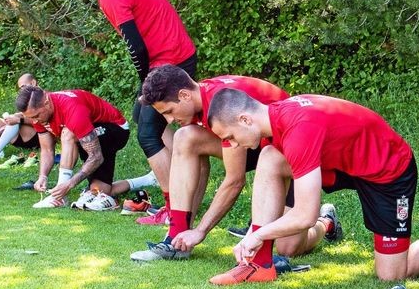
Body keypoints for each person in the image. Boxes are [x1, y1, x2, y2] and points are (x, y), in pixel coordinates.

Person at [205, 90, 419, 286]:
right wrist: (260, 237)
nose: (235, 145)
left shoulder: (298, 128)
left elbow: (303, 215)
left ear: (244, 119)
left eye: (230, 138)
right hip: (341, 164)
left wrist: (256, 234)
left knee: (391, 276)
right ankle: (259, 265)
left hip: (387, 171)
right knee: (270, 160)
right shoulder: (276, 121)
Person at [128, 65, 339, 261]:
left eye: (169, 112)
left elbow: (234, 181)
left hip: (288, 152)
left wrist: (201, 230)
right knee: (186, 137)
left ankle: (326, 222)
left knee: (289, 247)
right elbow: (198, 168)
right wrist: (186, 232)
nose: (169, 120)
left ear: (184, 95)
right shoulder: (199, 98)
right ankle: (175, 240)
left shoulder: (220, 104)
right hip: (256, 145)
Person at [56, 0, 197, 224]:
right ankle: (181, 182)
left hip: (170, 60)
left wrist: (147, 84)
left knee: (147, 133)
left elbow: (136, 45)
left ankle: (175, 209)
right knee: (146, 120)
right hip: (174, 56)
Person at [14, 85, 155, 209]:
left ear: (46, 102)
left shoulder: (72, 109)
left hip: (115, 129)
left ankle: (59, 197)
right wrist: (42, 176)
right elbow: (47, 149)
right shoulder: (38, 114)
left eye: (36, 116)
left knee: (68, 132)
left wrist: (69, 184)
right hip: (86, 135)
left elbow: (96, 156)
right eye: (31, 117)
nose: (34, 121)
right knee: (102, 191)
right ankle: (149, 179)